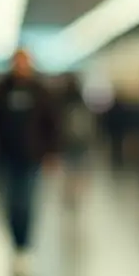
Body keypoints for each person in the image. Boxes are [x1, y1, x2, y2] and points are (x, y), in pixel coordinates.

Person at [0, 48, 59, 276]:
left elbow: (52, 123)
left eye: (25, 62)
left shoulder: (40, 91)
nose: (21, 66)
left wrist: (51, 153)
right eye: (18, 61)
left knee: (27, 203)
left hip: (31, 158)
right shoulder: (0, 91)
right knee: (9, 204)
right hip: (5, 158)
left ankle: (24, 246)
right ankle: (16, 241)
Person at [56, 72, 95, 206]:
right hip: (79, 141)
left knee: (69, 168)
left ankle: (70, 192)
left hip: (68, 141)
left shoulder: (62, 101)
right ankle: (74, 193)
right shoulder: (81, 101)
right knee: (77, 167)